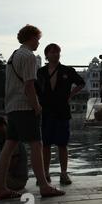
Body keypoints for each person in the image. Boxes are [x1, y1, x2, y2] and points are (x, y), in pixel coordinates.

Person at [0, 25, 65, 200]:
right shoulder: (29, 57)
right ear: (31, 38)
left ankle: (1, 187)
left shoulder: (13, 56)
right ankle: (44, 186)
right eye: (37, 39)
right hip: (25, 107)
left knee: (9, 146)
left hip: (11, 106)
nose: (38, 43)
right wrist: (37, 106)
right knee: (36, 144)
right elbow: (29, 86)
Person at [36, 43, 85, 185]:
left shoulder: (67, 70)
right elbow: (37, 89)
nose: (55, 54)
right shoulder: (41, 72)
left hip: (62, 110)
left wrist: (70, 94)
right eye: (52, 52)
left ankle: (64, 173)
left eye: (57, 52)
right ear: (46, 55)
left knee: (62, 144)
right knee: (46, 144)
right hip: (46, 111)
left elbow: (81, 83)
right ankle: (45, 173)